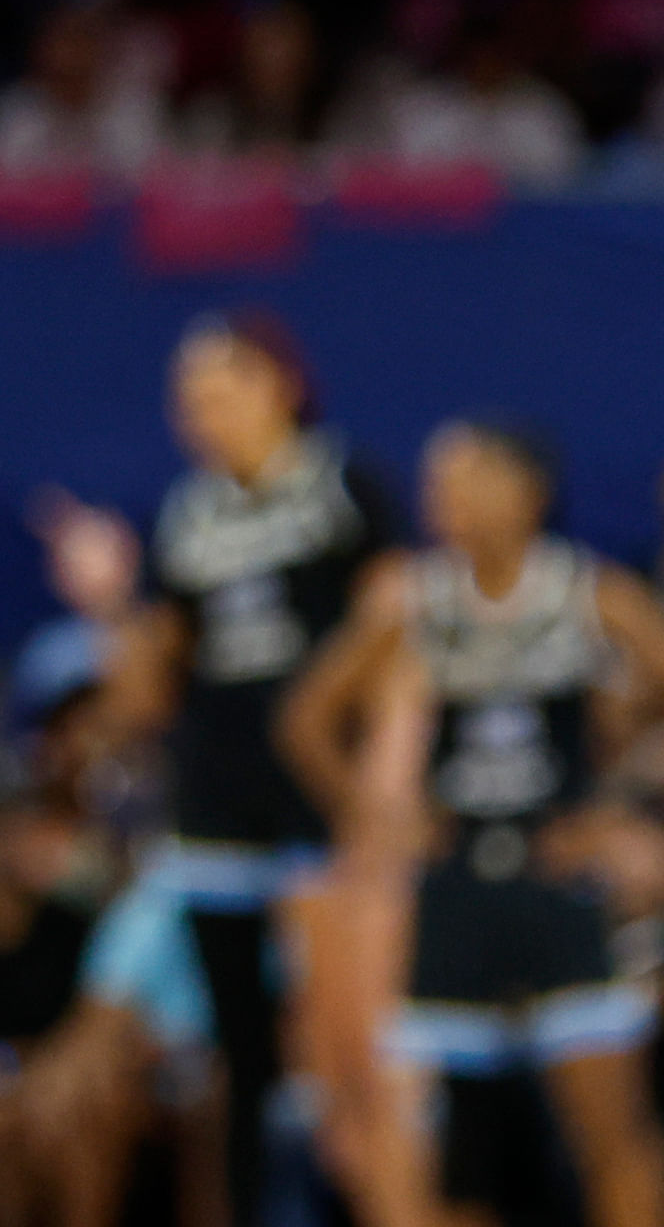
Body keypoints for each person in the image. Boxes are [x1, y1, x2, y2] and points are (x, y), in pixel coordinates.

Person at [285, 420, 664, 1227]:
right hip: (455, 895)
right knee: (452, 1165)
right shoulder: (421, 600)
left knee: (615, 1138)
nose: (440, 501)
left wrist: (612, 802)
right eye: (434, 484)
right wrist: (379, 815)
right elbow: (307, 719)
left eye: (462, 481)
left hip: (556, 889)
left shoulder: (585, 591)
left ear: (526, 491)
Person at [97, 307, 393, 1226]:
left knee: (344, 1045)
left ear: (279, 387)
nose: (199, 417)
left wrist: (365, 783)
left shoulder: (344, 486)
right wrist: (113, 606)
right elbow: (150, 693)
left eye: (218, 394)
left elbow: (393, 637)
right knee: (240, 1048)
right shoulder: (186, 516)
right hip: (219, 797)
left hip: (321, 803)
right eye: (187, 401)